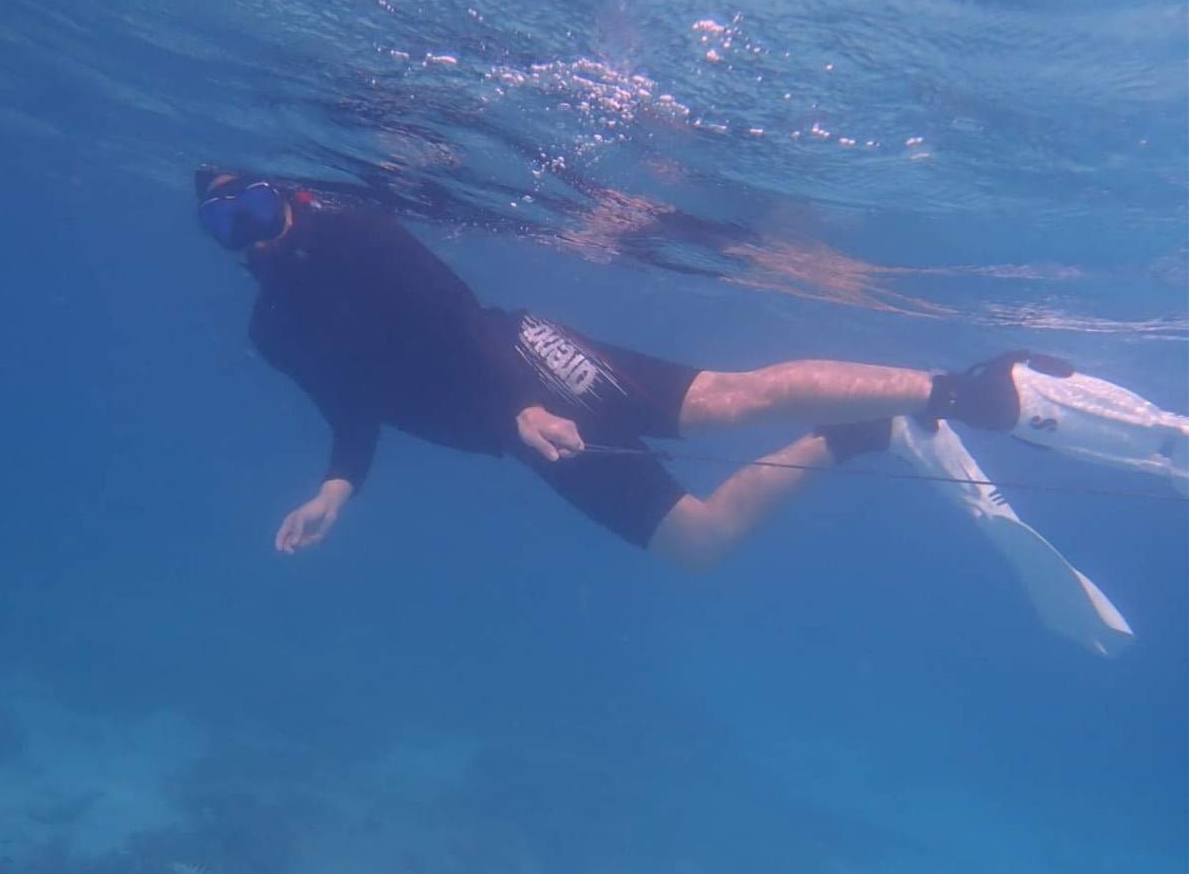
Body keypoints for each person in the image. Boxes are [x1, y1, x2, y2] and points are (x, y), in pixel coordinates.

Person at [193, 166, 1186, 577]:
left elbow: (453, 317)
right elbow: (349, 412)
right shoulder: (272, 334)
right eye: (225, 224)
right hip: (515, 429)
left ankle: (965, 389)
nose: (253, 233)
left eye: (260, 207)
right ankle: (860, 433)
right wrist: (334, 490)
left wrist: (514, 410)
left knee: (722, 402)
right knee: (696, 546)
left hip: (515, 365)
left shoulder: (363, 233)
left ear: (292, 202)